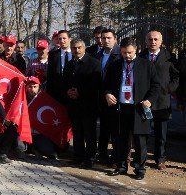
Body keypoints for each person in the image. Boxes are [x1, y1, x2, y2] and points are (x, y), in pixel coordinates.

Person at [105, 38, 160, 180]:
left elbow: (156, 86)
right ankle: (121, 166)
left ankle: (139, 169)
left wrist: (149, 100)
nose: (127, 56)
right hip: (120, 108)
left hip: (138, 108)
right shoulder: (115, 65)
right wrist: (107, 93)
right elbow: (106, 84)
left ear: (135, 49)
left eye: (129, 52)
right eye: (124, 53)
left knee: (140, 141)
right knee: (120, 139)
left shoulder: (146, 65)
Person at [138, 30, 179, 170]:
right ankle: (140, 158)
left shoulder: (169, 57)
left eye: (156, 39)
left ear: (161, 42)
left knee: (161, 134)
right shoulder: (141, 56)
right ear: (146, 41)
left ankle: (160, 159)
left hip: (162, 101)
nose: (153, 42)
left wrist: (169, 89)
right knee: (143, 131)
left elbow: (176, 76)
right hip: (146, 101)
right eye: (150, 39)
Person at [63, 38, 102, 169]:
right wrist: (68, 91)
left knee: (89, 133)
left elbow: (96, 84)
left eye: (79, 47)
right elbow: (65, 81)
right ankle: (77, 156)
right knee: (77, 132)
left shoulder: (94, 63)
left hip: (88, 105)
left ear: (84, 48)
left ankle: (90, 158)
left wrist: (79, 91)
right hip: (73, 105)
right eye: (74, 48)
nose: (76, 50)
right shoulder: (69, 64)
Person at [96, 28, 121, 165]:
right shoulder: (99, 55)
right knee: (103, 128)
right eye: (103, 38)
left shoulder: (119, 54)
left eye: (108, 38)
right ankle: (102, 154)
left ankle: (116, 157)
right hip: (101, 97)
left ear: (115, 39)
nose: (105, 40)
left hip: (114, 97)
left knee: (115, 130)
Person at [24, 76, 60, 160]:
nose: (32, 89)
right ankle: (31, 148)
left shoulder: (45, 100)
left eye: (35, 87)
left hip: (39, 134)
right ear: (26, 87)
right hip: (25, 133)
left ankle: (36, 148)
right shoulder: (21, 99)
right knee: (20, 148)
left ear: (39, 87)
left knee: (52, 154)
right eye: (30, 86)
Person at [46, 30, 72, 104]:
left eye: (64, 38)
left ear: (69, 39)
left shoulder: (75, 53)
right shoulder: (53, 55)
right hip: (58, 94)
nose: (62, 41)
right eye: (59, 39)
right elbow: (50, 76)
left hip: (73, 93)